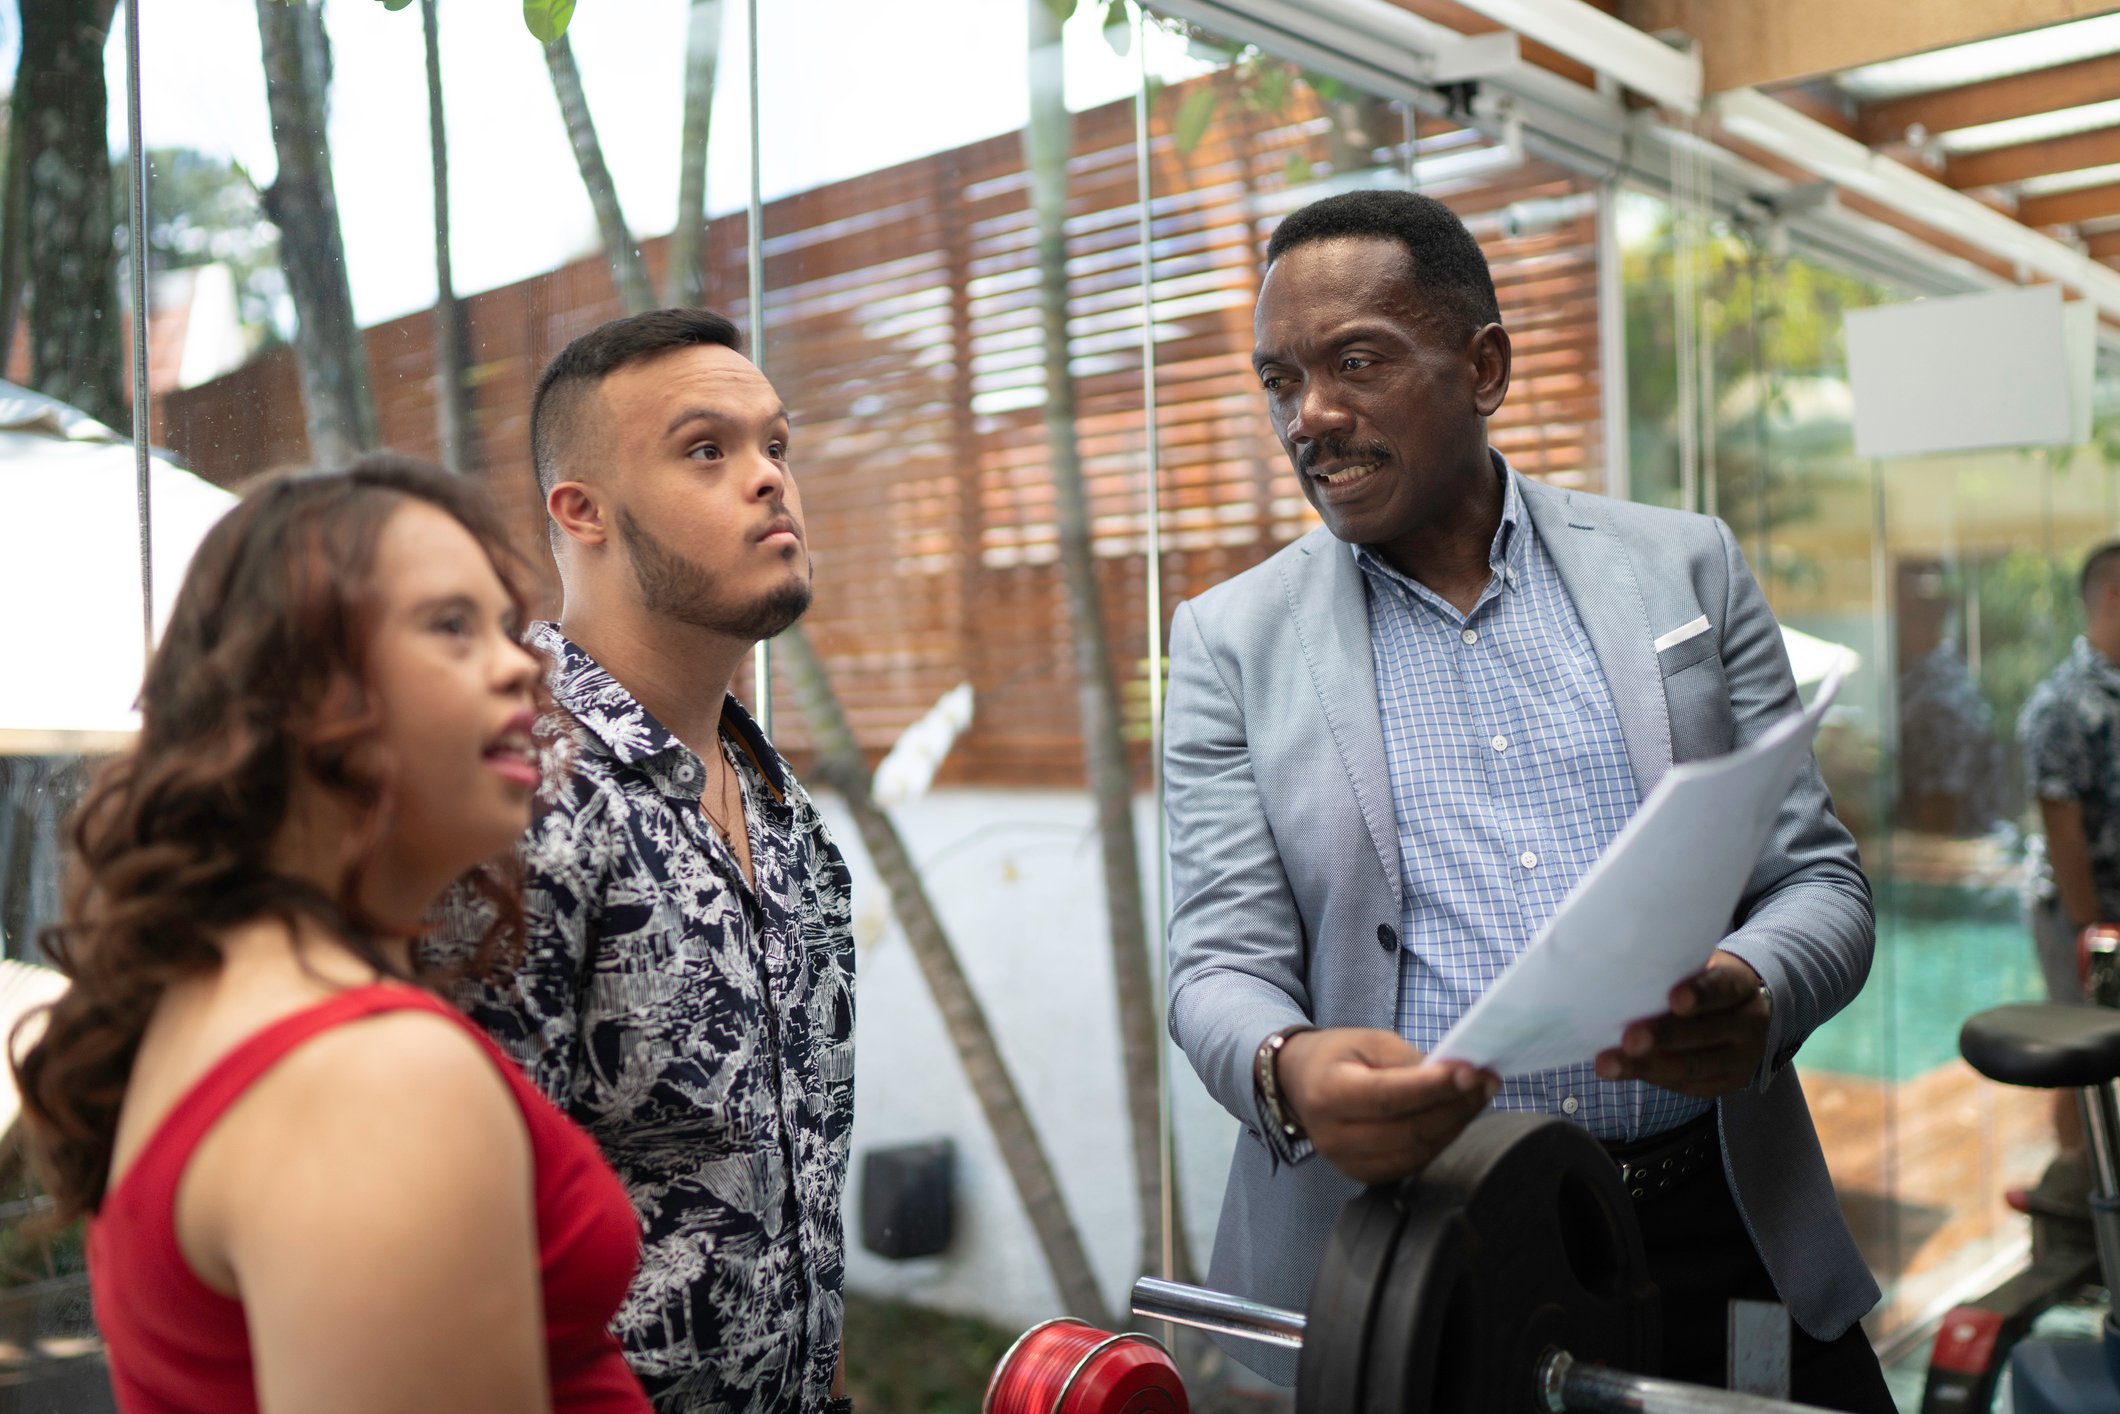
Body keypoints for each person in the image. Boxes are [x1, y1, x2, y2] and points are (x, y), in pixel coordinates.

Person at [1163, 189, 1888, 1411]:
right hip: (1422, 1247)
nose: (1310, 417)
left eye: (1355, 363)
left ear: (1483, 365)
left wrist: (1757, 993)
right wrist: (1288, 1067)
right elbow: (1214, 967)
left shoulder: (1683, 565)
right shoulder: (1227, 640)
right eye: (1279, 380)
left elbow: (1819, 882)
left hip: (1716, 1219)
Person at [13, 457, 651, 1413]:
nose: (525, 661)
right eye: (451, 625)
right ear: (293, 694)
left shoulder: (210, 991)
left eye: (506, 627)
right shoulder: (369, 1077)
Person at [433, 308, 855, 1413]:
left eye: (776, 444)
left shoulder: (780, 806)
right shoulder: (514, 792)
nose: (768, 479)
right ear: (580, 511)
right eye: (707, 449)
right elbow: (459, 1236)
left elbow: (803, 1187)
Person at [2017, 542, 2120, 1182]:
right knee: (2080, 1058)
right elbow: (2062, 825)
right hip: (2083, 913)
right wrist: (2092, 932)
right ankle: (2074, 1201)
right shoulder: (2065, 701)